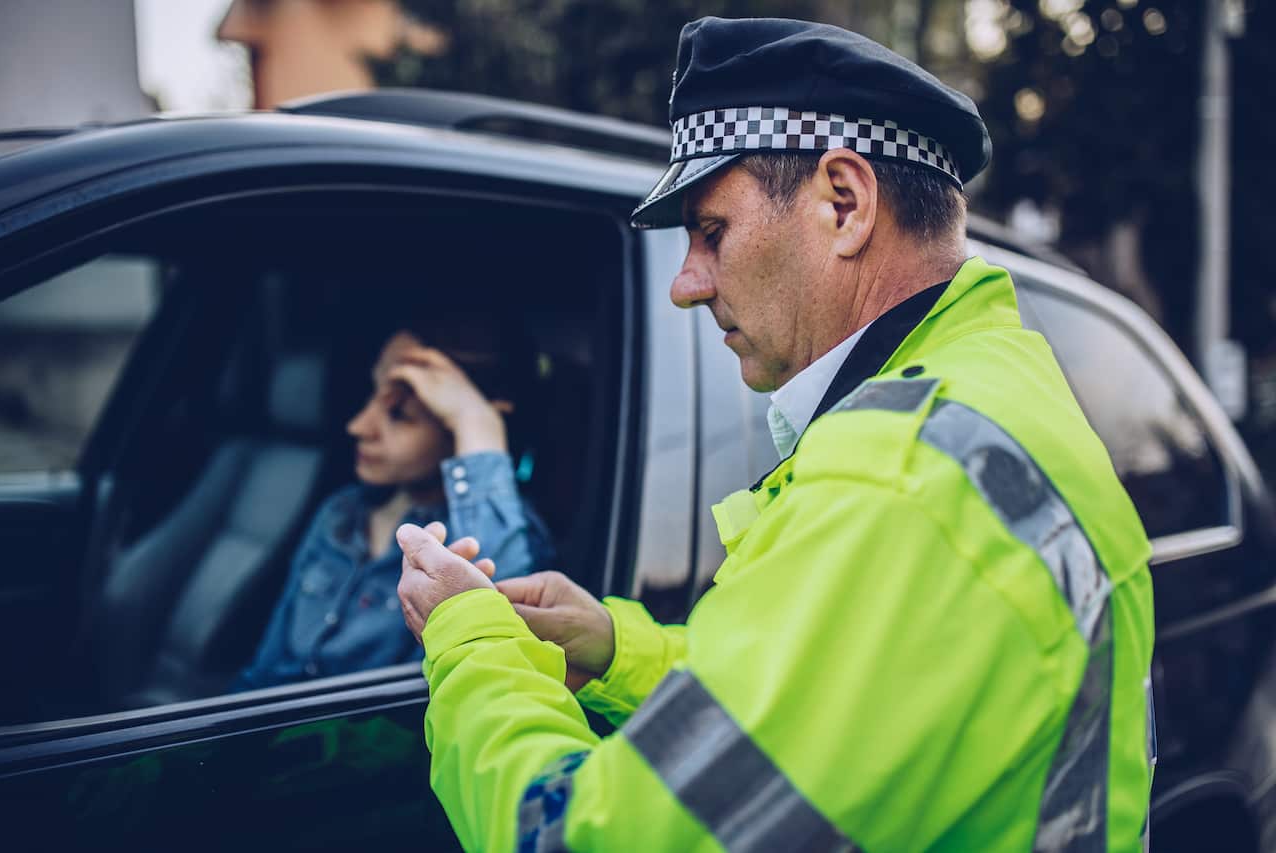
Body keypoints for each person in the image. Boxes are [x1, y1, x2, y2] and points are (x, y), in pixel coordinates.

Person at [394, 17, 1156, 852]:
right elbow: (845, 707)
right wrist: (618, 651)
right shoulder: (985, 396)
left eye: (710, 229)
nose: (686, 283)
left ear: (845, 202)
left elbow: (585, 836)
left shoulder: (898, 480)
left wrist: (472, 642)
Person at [234, 327, 553, 691]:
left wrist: (475, 422)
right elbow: (265, 669)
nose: (358, 426)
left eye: (399, 413)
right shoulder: (341, 512)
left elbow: (497, 652)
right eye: (373, 394)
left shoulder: (501, 538)